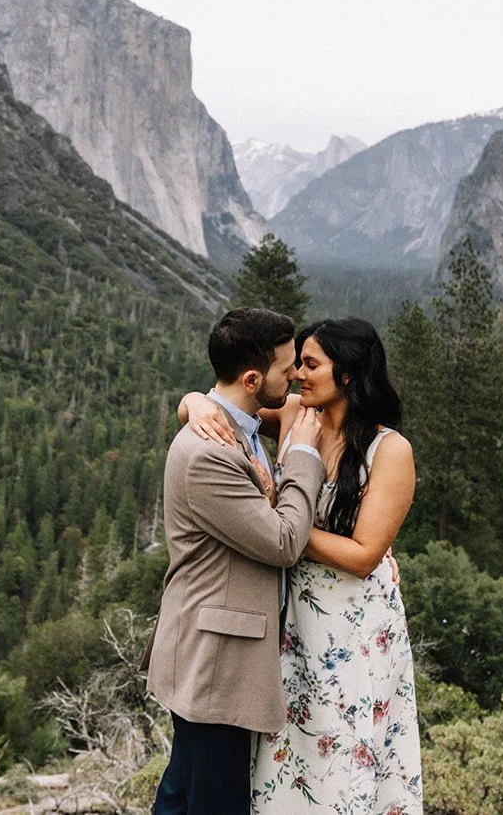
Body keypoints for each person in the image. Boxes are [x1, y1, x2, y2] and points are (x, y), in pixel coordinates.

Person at [181, 317, 423, 813]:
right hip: (291, 622)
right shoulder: (295, 415)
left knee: (341, 756)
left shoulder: (390, 450)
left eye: (311, 365)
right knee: (288, 760)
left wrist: (277, 523)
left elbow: (364, 556)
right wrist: (193, 401)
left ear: (348, 373)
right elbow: (231, 406)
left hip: (353, 629)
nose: (297, 375)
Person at [147, 307, 327, 815]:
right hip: (216, 657)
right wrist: (303, 456)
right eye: (287, 368)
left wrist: (192, 401)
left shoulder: (234, 425)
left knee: (184, 792)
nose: (295, 377)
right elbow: (284, 540)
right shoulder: (211, 453)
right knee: (213, 800)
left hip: (215, 647)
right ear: (252, 379)